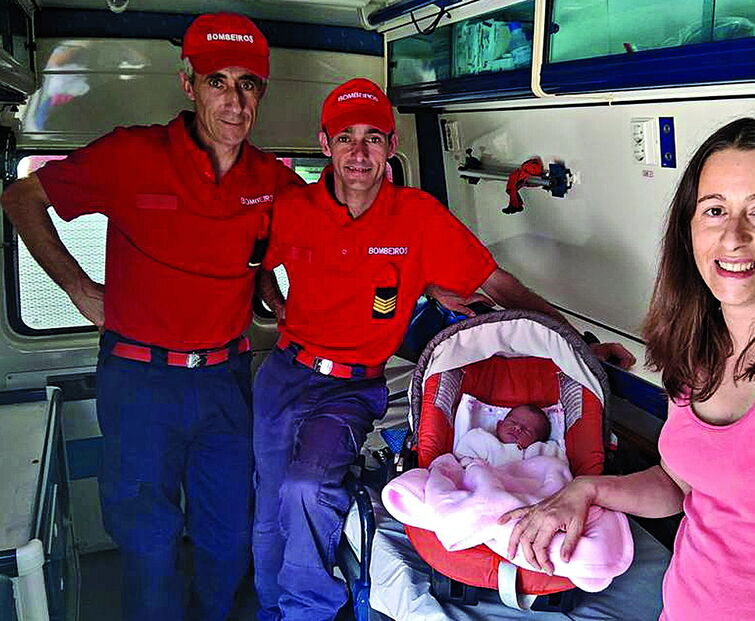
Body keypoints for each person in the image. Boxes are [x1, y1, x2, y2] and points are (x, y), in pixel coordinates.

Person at [251, 77, 634, 621]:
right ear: (324, 143)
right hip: (285, 372)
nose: (359, 152)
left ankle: (305, 613)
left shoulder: (420, 218)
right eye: (345, 138)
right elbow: (260, 269)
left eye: (374, 138)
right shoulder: (292, 209)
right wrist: (278, 308)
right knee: (269, 502)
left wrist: (581, 345)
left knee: (306, 487)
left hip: (353, 382)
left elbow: (502, 289)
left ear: (390, 146)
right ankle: (271, 610)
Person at [500, 117, 755, 620]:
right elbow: (683, 483)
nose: (733, 236)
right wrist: (587, 489)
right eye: (715, 211)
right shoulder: (697, 347)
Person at [0, 13, 303, 620]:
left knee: (228, 534)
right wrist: (77, 288)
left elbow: (296, 244)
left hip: (224, 380)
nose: (236, 101)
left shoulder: (273, 179)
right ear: (188, 83)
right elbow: (20, 197)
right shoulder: (130, 154)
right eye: (219, 81)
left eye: (250, 84)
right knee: (148, 541)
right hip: (140, 384)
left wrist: (277, 292)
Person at [455, 403, 560, 467]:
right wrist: (475, 468)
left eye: (527, 430)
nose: (517, 428)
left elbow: (556, 468)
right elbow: (462, 457)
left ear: (537, 441)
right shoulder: (483, 439)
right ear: (499, 425)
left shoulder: (540, 450)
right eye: (512, 422)